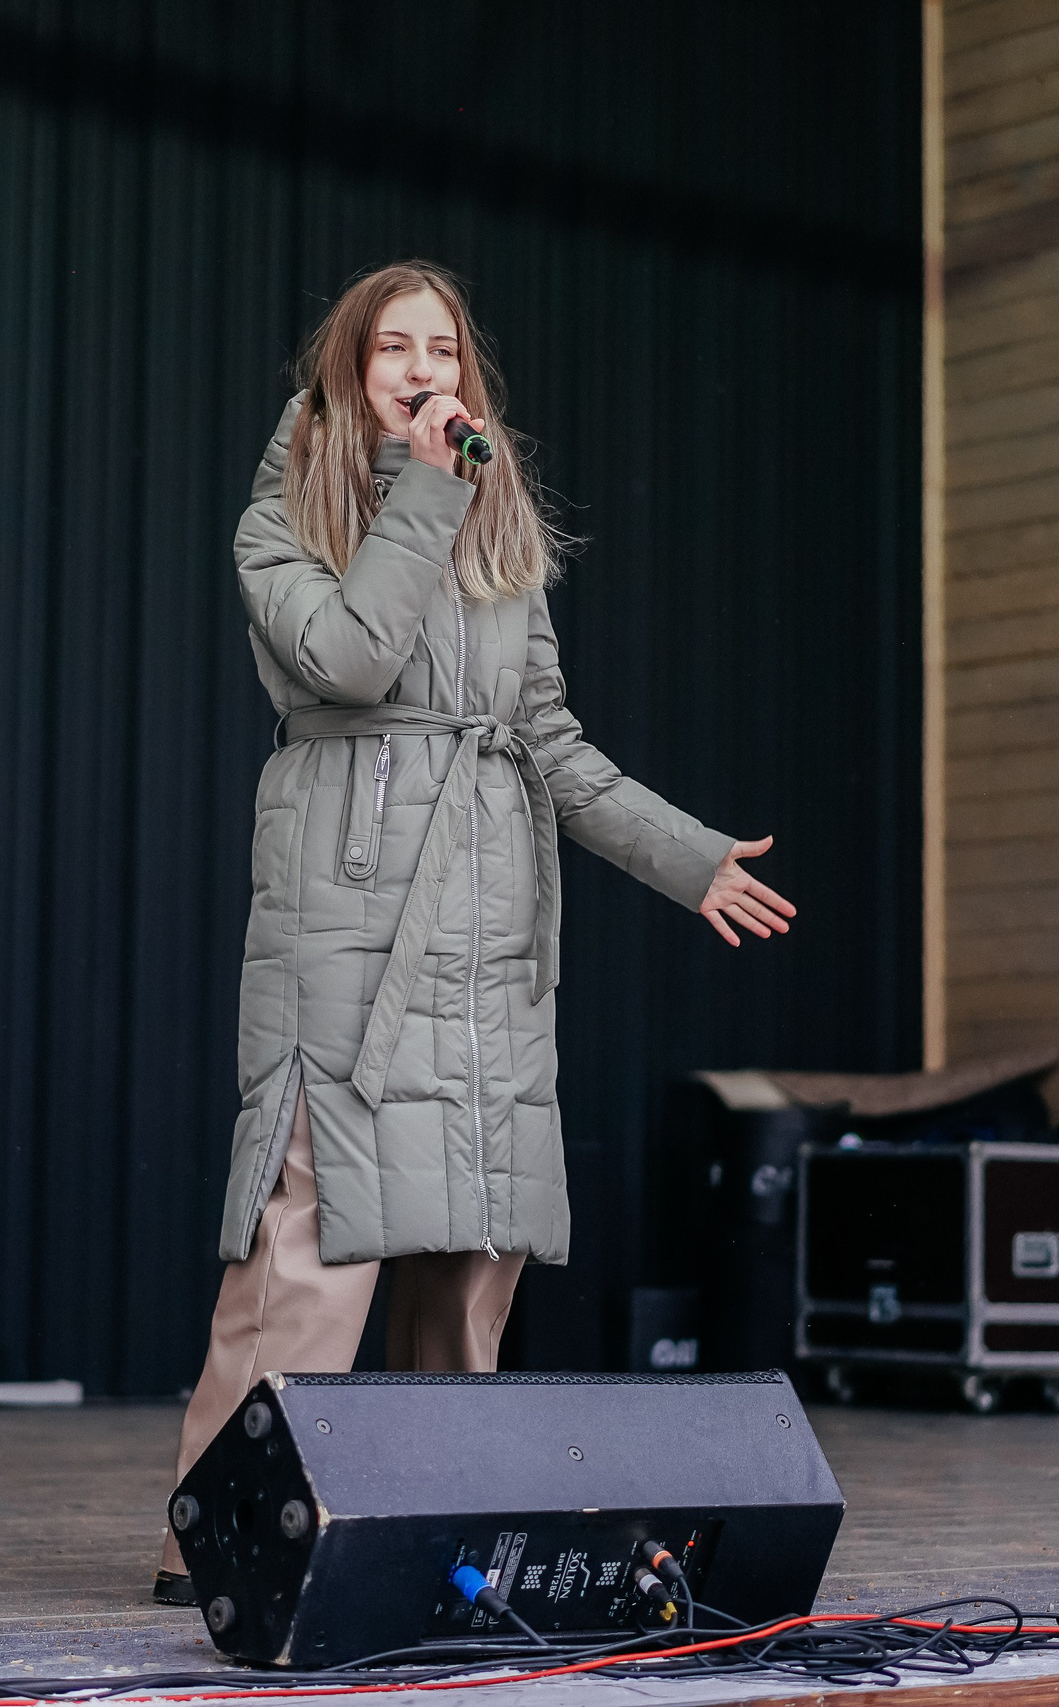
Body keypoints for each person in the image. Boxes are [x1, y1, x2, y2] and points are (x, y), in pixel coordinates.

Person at [156, 261, 794, 1603]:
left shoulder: (495, 538)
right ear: (349, 371)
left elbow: (549, 740)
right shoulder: (280, 522)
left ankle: (436, 1538)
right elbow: (352, 662)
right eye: (392, 347)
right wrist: (425, 490)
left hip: (487, 935)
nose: (420, 367)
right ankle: (215, 1544)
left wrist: (692, 860)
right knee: (309, 1256)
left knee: (471, 1251)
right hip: (348, 928)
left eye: (440, 348)